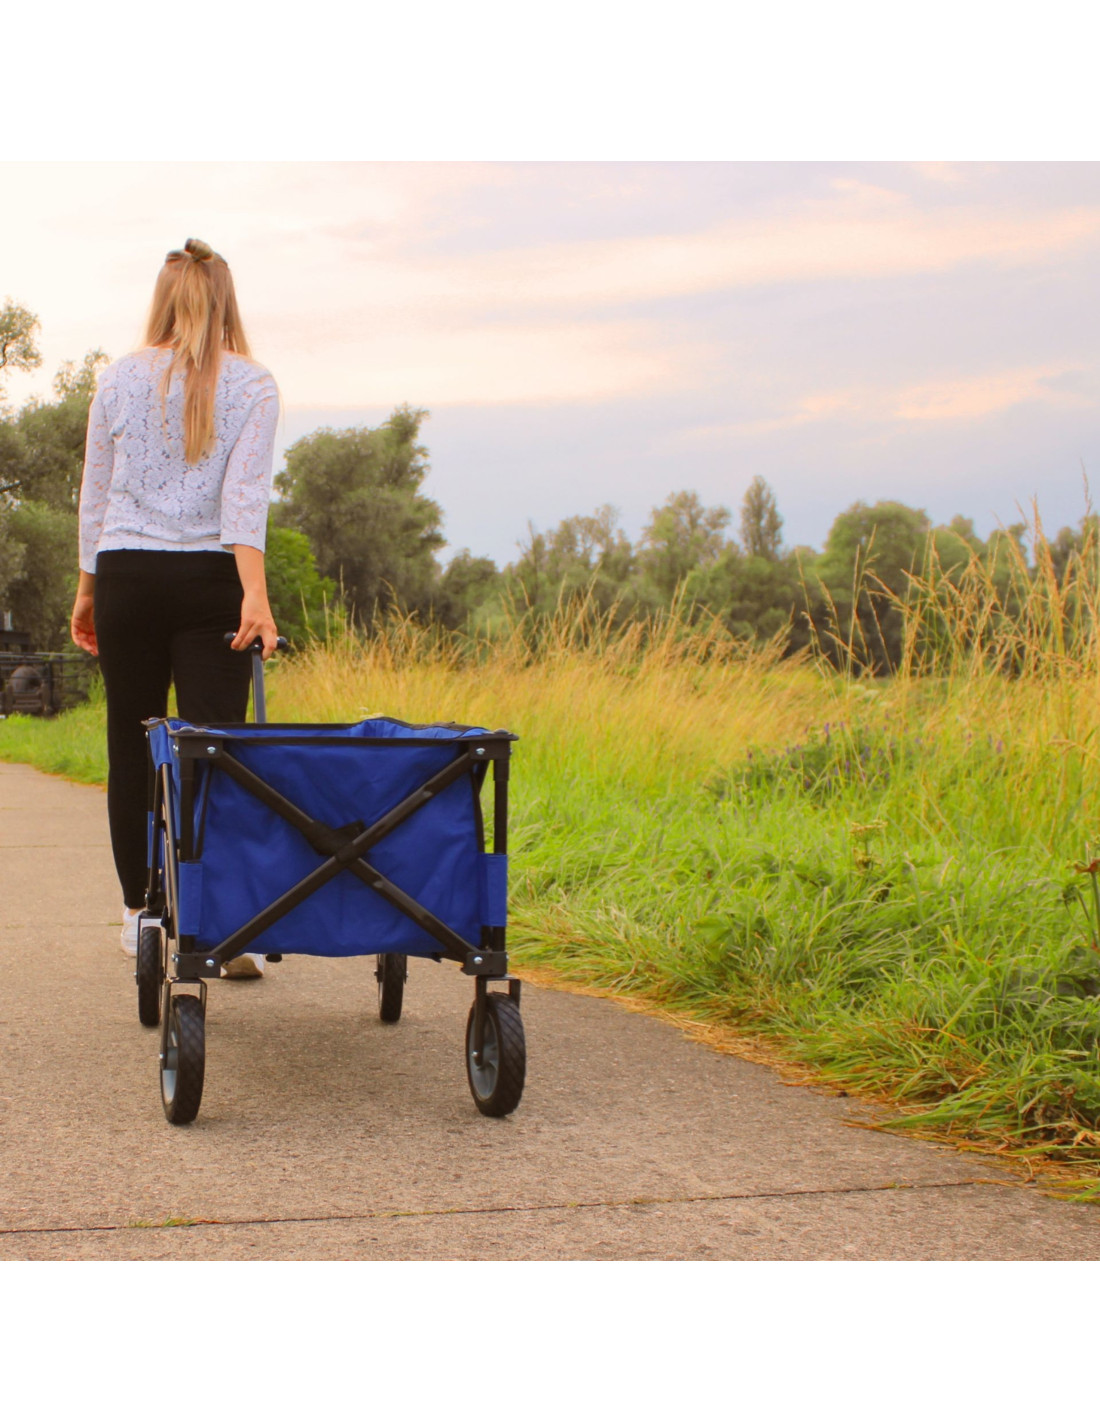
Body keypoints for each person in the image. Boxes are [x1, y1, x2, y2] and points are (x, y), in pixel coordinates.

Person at [71, 237, 279, 977]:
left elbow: (96, 492)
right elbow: (244, 501)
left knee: (132, 744)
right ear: (225, 300)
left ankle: (141, 916)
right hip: (211, 581)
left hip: (126, 575)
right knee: (213, 748)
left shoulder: (118, 378)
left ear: (163, 298)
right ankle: (218, 922)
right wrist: (256, 596)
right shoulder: (254, 384)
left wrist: (88, 589)